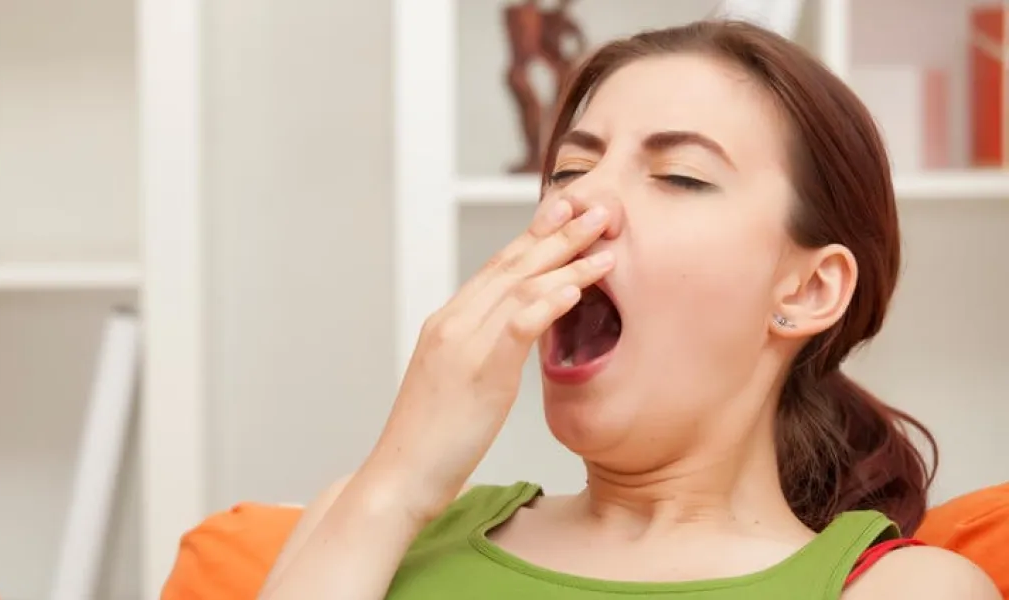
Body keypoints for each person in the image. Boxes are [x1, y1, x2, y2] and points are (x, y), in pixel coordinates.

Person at [258, 20, 1001, 599]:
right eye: (569, 170)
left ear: (808, 290)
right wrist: (400, 479)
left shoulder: (902, 589)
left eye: (679, 176)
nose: (578, 202)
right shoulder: (367, 524)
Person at [504, 0, 586, 173]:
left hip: (537, 70)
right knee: (535, 113)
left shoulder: (549, 17)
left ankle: (542, 157)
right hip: (528, 71)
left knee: (549, 115)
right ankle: (537, 157)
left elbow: (571, 42)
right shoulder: (524, 13)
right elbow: (529, 47)